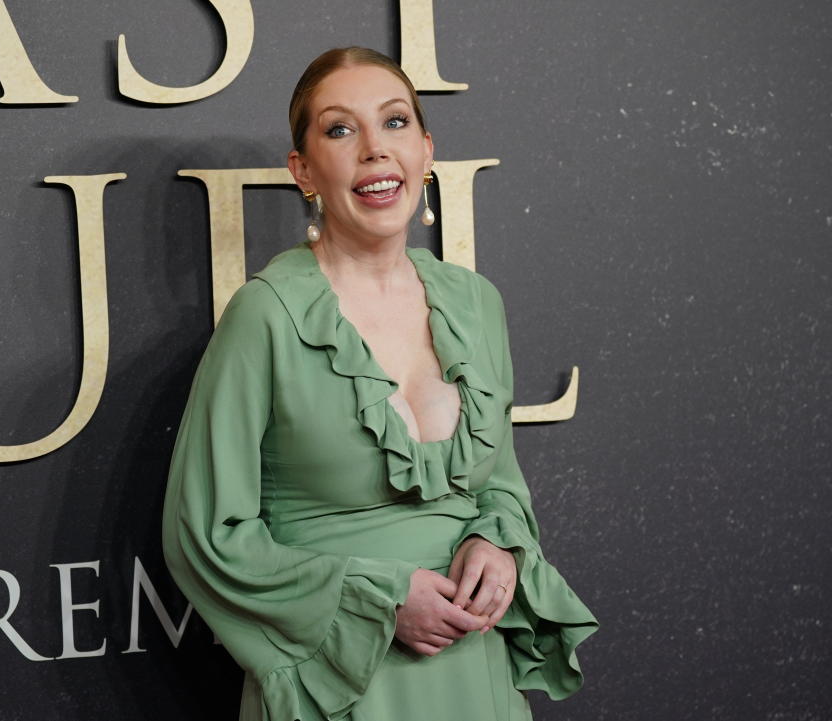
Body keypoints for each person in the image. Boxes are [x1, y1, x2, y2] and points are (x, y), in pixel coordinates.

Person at [162, 47, 598, 721]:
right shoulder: (267, 315)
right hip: (343, 683)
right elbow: (206, 534)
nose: (374, 150)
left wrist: (499, 543)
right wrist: (376, 600)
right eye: (340, 129)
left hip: (474, 670)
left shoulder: (476, 303)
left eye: (395, 123)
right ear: (302, 171)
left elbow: (500, 486)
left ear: (426, 150)